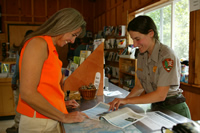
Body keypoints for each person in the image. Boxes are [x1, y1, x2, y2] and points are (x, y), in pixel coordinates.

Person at [17, 8, 89, 133]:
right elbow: (28, 93)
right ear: (63, 26)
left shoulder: (50, 48)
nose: (72, 41)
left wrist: (61, 103)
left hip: (47, 117)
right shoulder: (38, 44)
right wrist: (63, 116)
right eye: (73, 35)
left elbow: (45, 87)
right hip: (38, 121)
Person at [108, 15, 191, 119]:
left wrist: (127, 101)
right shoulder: (142, 54)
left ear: (151, 33)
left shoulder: (166, 56)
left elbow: (160, 95)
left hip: (174, 110)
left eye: (137, 39)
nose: (134, 44)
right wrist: (122, 102)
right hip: (156, 108)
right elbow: (139, 86)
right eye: (133, 39)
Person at [6, 30, 33, 133]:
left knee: (20, 104)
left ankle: (17, 126)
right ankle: (18, 126)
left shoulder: (22, 49)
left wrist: (13, 81)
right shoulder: (35, 49)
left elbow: (17, 68)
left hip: (22, 81)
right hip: (32, 82)